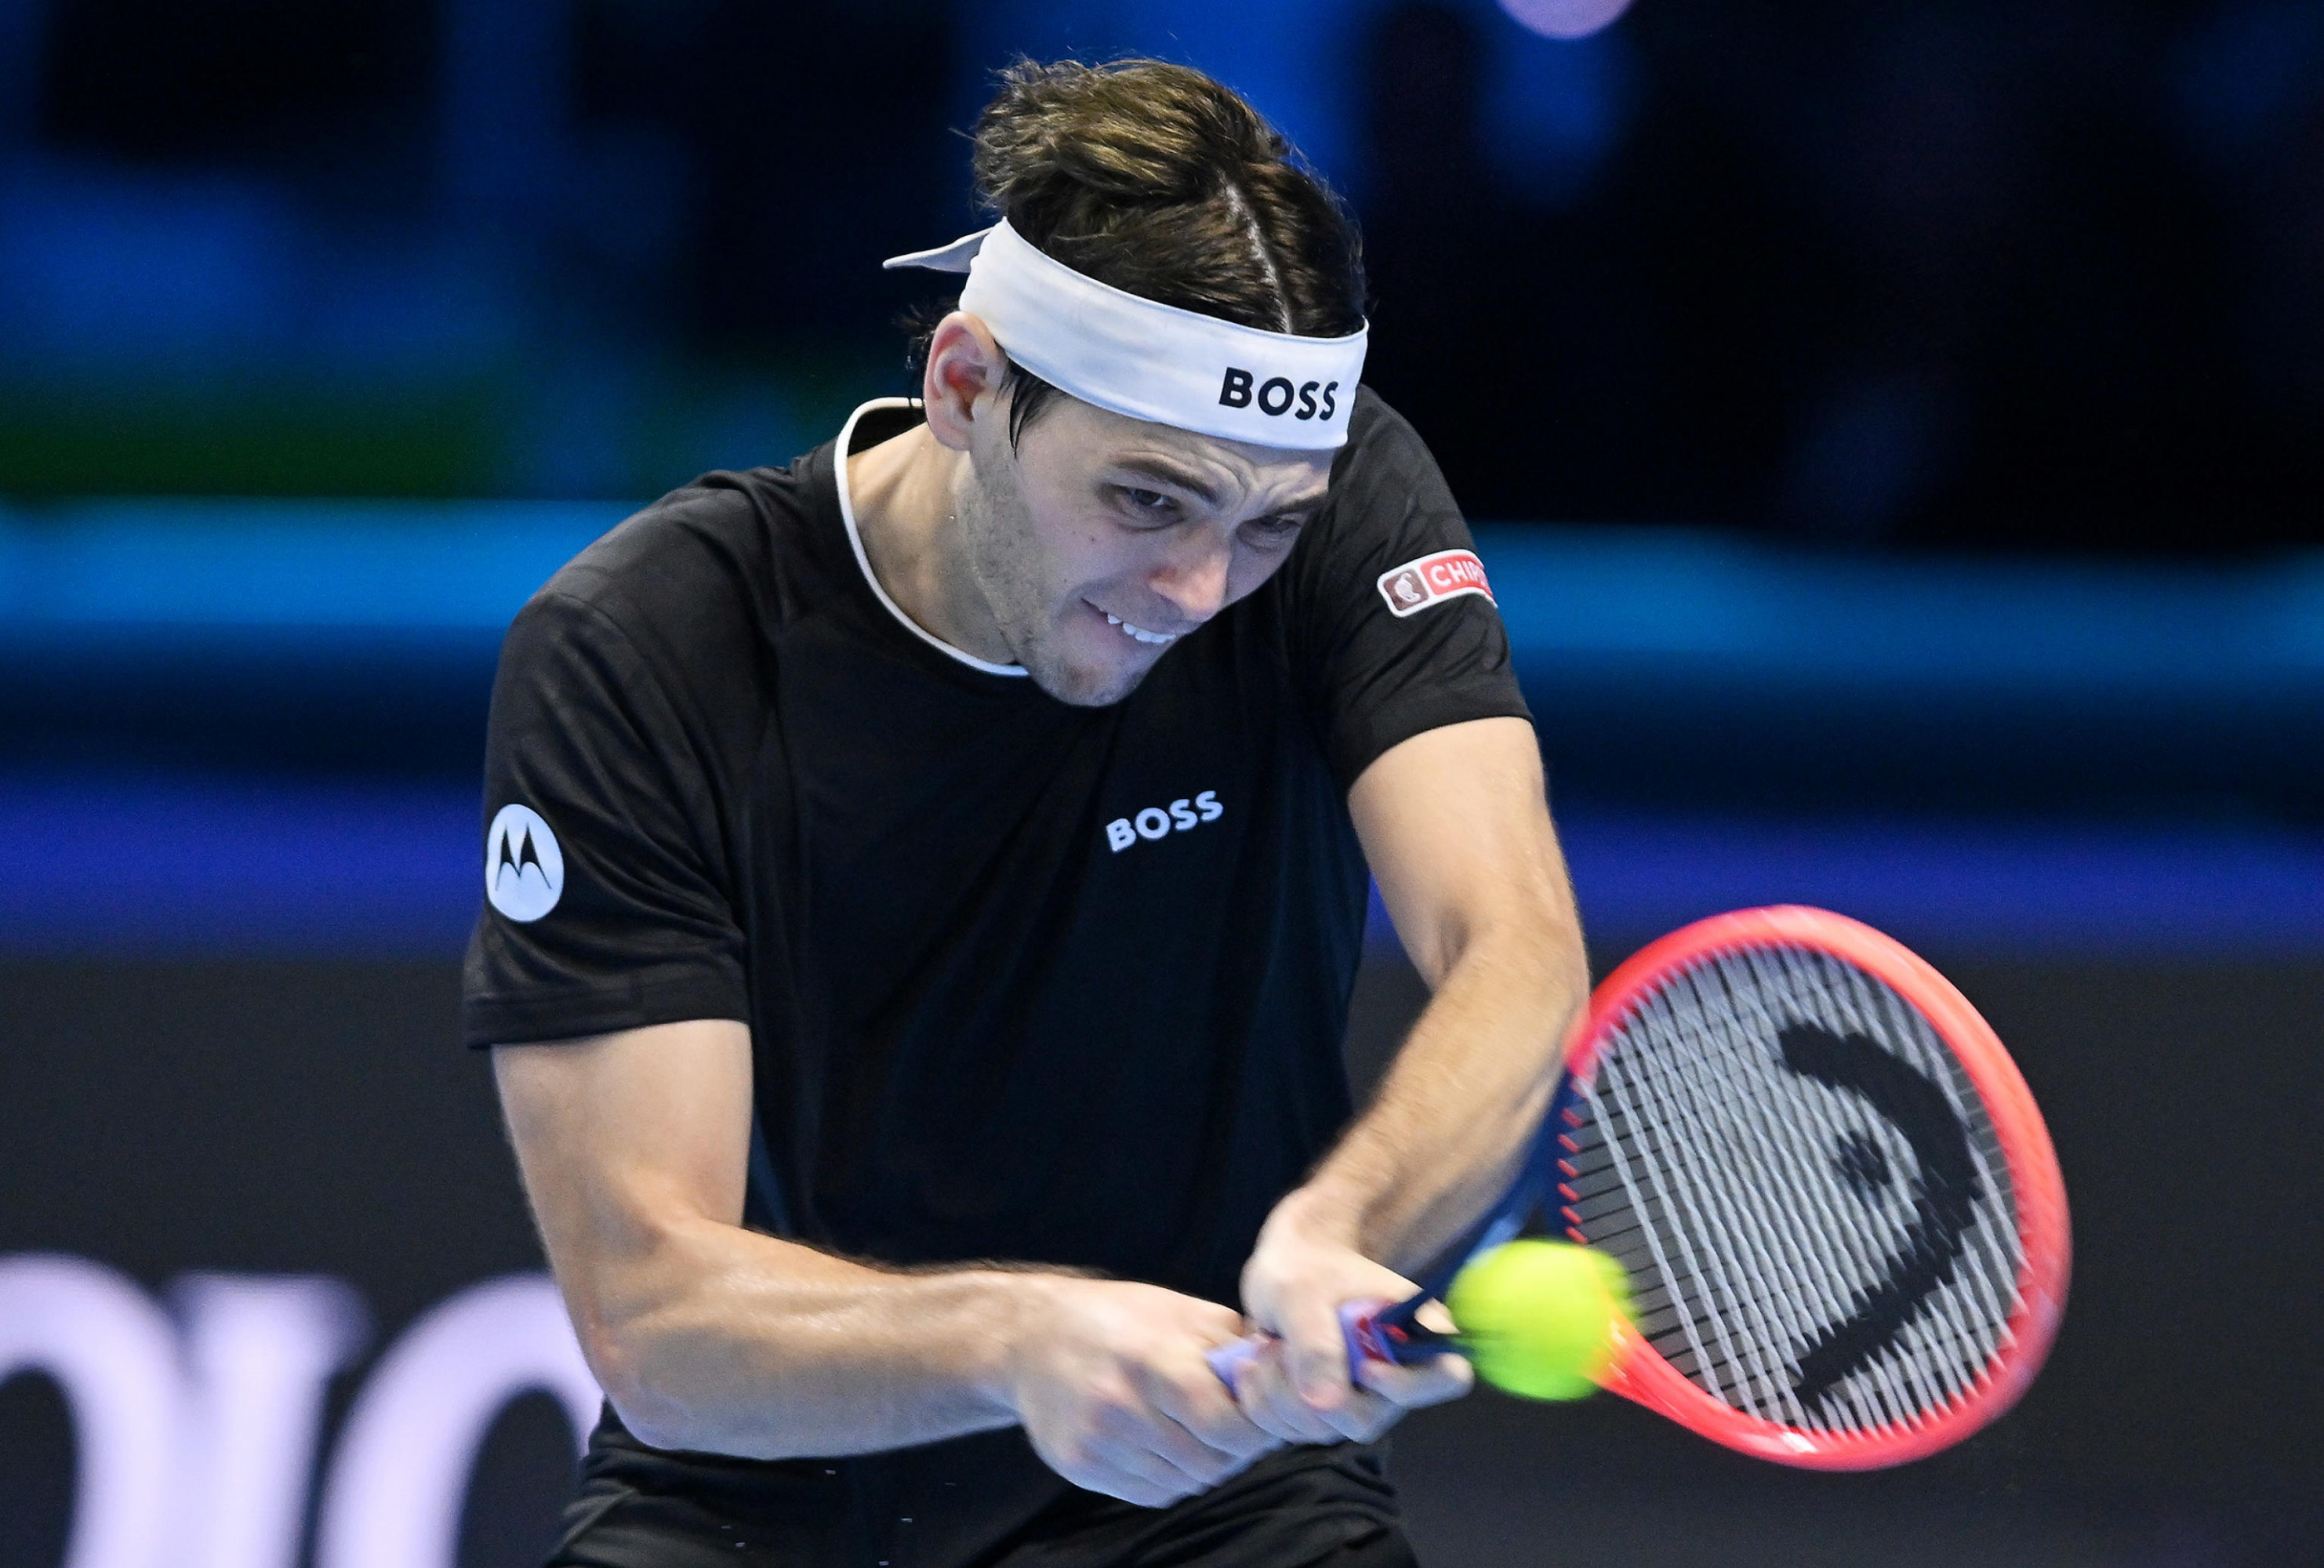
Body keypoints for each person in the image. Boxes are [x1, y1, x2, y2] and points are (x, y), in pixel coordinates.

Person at [467, 57, 1588, 1568]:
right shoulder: (645, 648)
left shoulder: (1353, 504)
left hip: (1225, 1502)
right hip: (763, 1507)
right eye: (1146, 501)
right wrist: (1019, 1339)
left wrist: (1342, 1228)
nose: (1200, 591)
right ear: (965, 386)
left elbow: (1511, 944)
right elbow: (654, 1321)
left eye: (1267, 528)